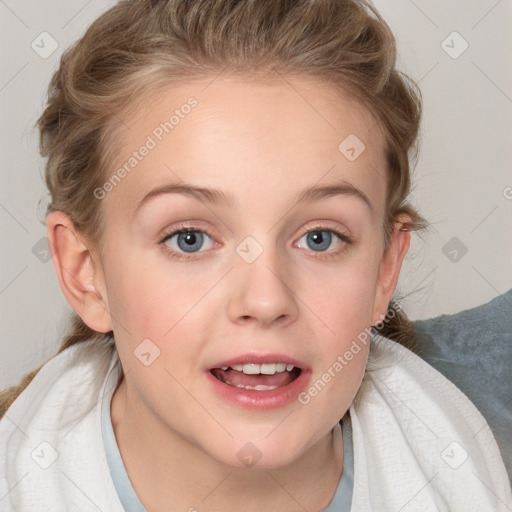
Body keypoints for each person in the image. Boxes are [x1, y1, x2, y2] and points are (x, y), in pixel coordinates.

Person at [0, 0, 510, 510]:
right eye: (189, 239)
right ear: (85, 272)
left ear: (384, 270)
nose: (265, 301)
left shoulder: (483, 429)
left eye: (320, 238)